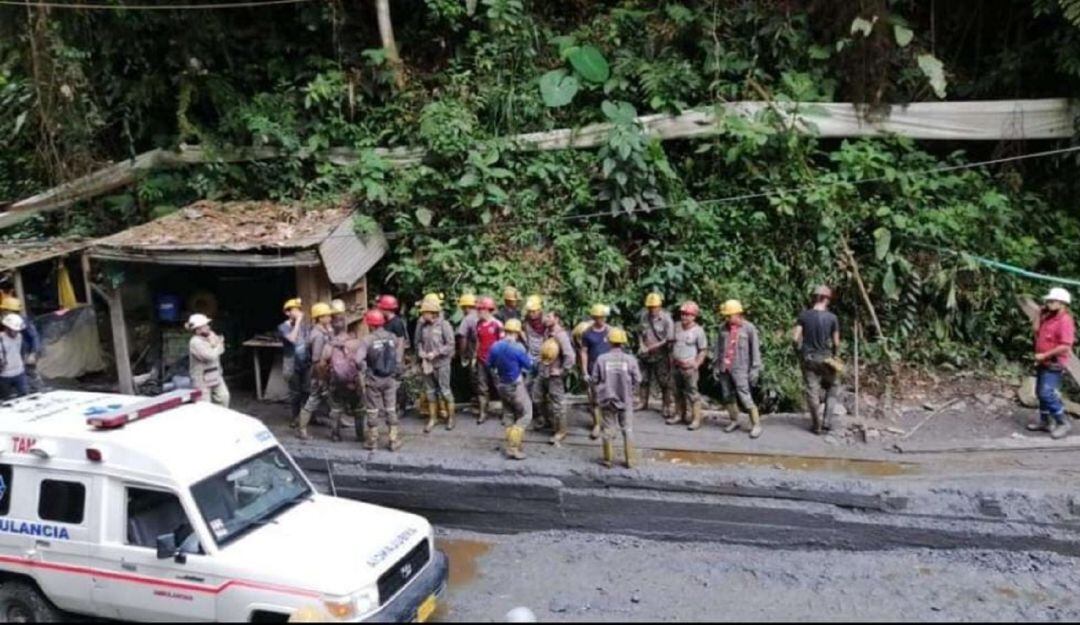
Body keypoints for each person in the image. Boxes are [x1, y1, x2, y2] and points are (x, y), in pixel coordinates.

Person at [1027, 287, 1076, 439]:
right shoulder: (1049, 317)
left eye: (1052, 301)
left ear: (1062, 304)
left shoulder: (1065, 321)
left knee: (1046, 393)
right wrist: (1038, 313)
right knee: (1039, 393)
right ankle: (1045, 422)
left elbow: (1065, 346)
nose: (1048, 303)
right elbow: (1035, 330)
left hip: (1053, 362)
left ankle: (1063, 422)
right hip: (1043, 361)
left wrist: (1045, 355)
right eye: (1048, 301)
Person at [793, 285, 842, 435]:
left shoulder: (804, 316)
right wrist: (835, 355)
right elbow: (836, 342)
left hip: (809, 359)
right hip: (826, 359)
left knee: (812, 392)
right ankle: (827, 421)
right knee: (833, 386)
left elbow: (795, 338)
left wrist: (800, 352)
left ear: (814, 298)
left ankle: (817, 426)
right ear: (826, 299)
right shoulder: (832, 318)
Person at [713, 300, 763, 439]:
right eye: (726, 316)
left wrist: (755, 369)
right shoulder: (722, 328)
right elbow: (718, 347)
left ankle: (756, 424)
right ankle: (734, 420)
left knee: (744, 395)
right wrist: (716, 365)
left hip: (741, 367)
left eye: (730, 316)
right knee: (727, 395)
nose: (727, 319)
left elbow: (755, 350)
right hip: (725, 367)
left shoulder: (749, 328)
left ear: (738, 314)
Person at [487, 319, 535, 460]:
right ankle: (513, 448)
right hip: (515, 385)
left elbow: (489, 364)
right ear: (517, 332)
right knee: (526, 414)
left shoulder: (495, 346)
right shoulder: (518, 348)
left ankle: (512, 443)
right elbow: (529, 365)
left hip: (501, 385)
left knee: (508, 413)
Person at [594, 328, 641, 468]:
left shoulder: (601, 359)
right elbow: (638, 379)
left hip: (607, 400)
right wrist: (631, 391)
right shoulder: (630, 360)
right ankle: (630, 461)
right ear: (623, 342)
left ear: (609, 341)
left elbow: (595, 379)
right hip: (625, 399)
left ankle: (608, 460)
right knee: (627, 429)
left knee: (608, 430)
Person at [356, 309, 402, 451]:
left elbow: (358, 360)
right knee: (390, 408)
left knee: (372, 410)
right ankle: (393, 440)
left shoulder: (367, 340)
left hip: (373, 379)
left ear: (370, 324)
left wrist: (364, 369)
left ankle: (373, 441)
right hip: (389, 379)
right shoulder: (392, 337)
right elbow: (397, 357)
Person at [532, 309, 576, 444]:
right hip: (543, 371)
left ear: (556, 319)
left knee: (558, 403)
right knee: (537, 397)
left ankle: (561, 431)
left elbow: (570, 355)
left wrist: (562, 371)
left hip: (554, 376)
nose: (546, 318)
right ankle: (548, 421)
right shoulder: (547, 332)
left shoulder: (561, 335)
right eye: (546, 316)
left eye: (549, 316)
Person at [415, 293, 457, 432]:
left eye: (425, 312)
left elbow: (450, 344)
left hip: (442, 363)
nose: (422, 315)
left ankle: (451, 418)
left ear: (432, 313)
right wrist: (421, 352)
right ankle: (433, 418)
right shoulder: (422, 325)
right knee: (430, 392)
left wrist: (436, 352)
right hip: (427, 364)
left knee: (445, 391)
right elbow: (419, 341)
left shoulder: (444, 325)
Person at [321, 300, 360, 442]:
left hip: (336, 382)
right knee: (358, 408)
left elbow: (321, 365)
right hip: (353, 383)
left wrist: (325, 380)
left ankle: (335, 435)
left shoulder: (329, 346)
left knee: (336, 408)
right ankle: (360, 435)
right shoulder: (355, 342)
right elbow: (362, 363)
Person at [296, 302, 334, 440]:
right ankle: (302, 430)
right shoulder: (318, 335)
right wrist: (321, 378)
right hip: (319, 372)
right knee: (313, 399)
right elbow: (316, 359)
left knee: (330, 399)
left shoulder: (323, 331)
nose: (330, 318)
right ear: (319, 317)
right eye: (327, 316)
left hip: (323, 371)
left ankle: (337, 422)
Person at [637, 292, 675, 419]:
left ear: (660, 306)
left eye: (654, 307)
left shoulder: (666, 319)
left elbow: (669, 338)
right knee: (643, 378)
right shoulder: (644, 316)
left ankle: (666, 405)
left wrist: (654, 346)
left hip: (660, 354)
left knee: (663, 381)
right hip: (645, 353)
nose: (652, 309)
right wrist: (641, 345)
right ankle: (643, 402)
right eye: (650, 307)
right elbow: (640, 332)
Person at [671, 301, 708, 430]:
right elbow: (671, 342)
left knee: (692, 393)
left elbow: (703, 350)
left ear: (694, 316)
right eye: (683, 314)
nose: (684, 317)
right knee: (677, 391)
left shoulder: (698, 331)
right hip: (676, 365)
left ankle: (696, 419)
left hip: (689, 367)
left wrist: (696, 364)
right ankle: (679, 414)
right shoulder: (676, 327)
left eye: (687, 315)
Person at [579, 304, 612, 439]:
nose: (600, 320)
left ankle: (609, 424)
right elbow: (584, 352)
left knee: (610, 396)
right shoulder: (587, 334)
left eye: (602, 317)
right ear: (593, 318)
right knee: (595, 398)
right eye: (597, 318)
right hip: (594, 369)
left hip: (609, 368)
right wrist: (584, 371)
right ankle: (597, 424)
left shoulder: (610, 331)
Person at [278, 298, 310, 424]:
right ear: (287, 313)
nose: (298, 312)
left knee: (307, 390)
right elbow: (292, 339)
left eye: (299, 310)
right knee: (295, 393)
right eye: (295, 310)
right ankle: (295, 418)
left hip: (305, 362)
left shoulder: (305, 326)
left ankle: (306, 416)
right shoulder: (282, 327)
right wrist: (298, 322)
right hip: (292, 364)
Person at [186, 313, 229, 408]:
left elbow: (221, 348)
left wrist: (217, 345)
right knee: (204, 405)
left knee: (223, 397)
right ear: (198, 329)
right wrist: (218, 345)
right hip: (201, 378)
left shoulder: (210, 335)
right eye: (205, 325)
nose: (208, 327)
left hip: (215, 374)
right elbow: (210, 356)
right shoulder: (195, 342)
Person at [0, 297, 42, 392]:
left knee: (29, 375)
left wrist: (33, 353)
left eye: (5, 310)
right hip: (7, 355)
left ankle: (36, 392)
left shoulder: (22, 321)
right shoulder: (3, 320)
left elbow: (34, 336)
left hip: (24, 353)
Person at [474, 296, 505, 424]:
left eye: (481, 309)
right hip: (481, 359)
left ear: (488, 310)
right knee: (482, 387)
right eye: (479, 309)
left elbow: (503, 344)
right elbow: (478, 341)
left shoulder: (497, 324)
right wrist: (474, 357)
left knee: (500, 386)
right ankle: (483, 412)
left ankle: (506, 412)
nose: (479, 311)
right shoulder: (478, 324)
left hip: (495, 361)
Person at [522, 295, 547, 429]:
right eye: (530, 311)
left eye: (534, 311)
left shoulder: (545, 322)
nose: (531, 314)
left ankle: (543, 416)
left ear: (539, 310)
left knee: (540, 390)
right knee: (526, 386)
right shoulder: (526, 321)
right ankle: (532, 414)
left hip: (543, 358)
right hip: (530, 357)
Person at [455, 293, 480, 408]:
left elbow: (463, 339)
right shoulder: (481, 315)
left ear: (465, 307)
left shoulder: (467, 320)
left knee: (475, 379)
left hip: (473, 354)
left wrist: (462, 354)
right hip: (485, 353)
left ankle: (478, 403)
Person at [0, 314, 28, 399]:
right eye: (14, 330)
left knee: (24, 397)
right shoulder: (1, 339)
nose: (16, 332)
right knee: (6, 400)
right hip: (4, 376)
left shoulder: (19, 337)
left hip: (19, 372)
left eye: (17, 330)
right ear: (7, 328)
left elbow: (21, 351)